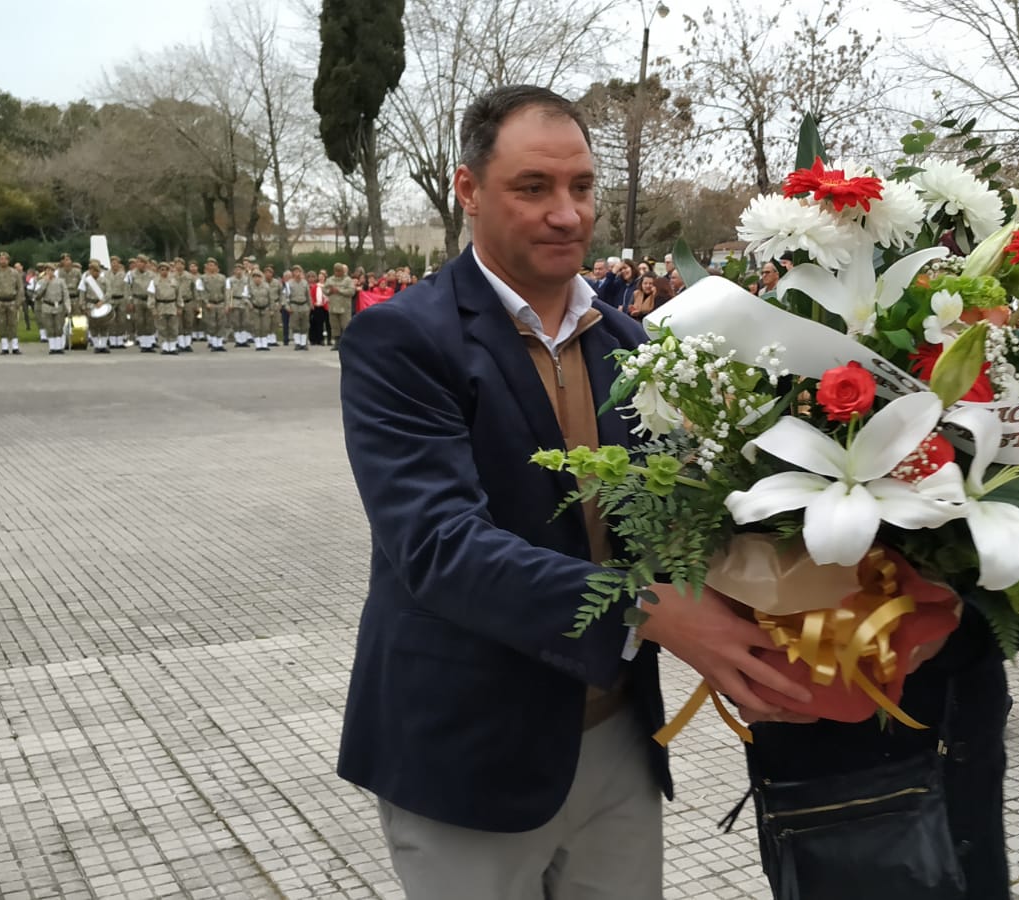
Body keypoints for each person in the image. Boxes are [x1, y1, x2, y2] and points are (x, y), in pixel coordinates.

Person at [336, 84, 807, 900]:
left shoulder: (638, 345)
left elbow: (688, 516)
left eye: (582, 187)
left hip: (618, 742)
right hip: (468, 755)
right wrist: (650, 608)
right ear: (469, 190)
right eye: (533, 188)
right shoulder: (404, 340)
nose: (567, 213)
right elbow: (440, 547)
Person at [0, 252, 24, 355]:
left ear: (8, 260)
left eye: (5, 259)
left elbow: (20, 287)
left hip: (12, 301)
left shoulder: (14, 273)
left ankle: (15, 347)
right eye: (1, 259)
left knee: (13, 324)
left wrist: (18, 301)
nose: (3, 261)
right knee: (1, 324)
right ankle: (4, 347)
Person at [34, 263, 70, 355]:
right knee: (49, 327)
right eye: (48, 270)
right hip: (47, 306)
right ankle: (52, 347)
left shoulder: (61, 281)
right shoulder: (41, 281)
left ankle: (59, 347)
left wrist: (68, 306)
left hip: (59, 306)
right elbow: (37, 295)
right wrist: (45, 282)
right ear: (45, 271)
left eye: (51, 270)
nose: (50, 272)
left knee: (58, 327)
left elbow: (65, 295)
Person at [324, 262, 356, 350]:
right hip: (333, 306)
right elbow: (325, 289)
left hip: (344, 307)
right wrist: (329, 291)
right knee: (335, 326)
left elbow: (352, 291)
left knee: (346, 325)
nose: (338, 272)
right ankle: (337, 343)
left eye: (340, 271)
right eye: (336, 271)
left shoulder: (348, 280)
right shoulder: (330, 280)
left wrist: (339, 290)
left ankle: (347, 343)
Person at [248, 269, 275, 350]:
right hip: (255, 309)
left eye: (258, 277)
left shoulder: (266, 286)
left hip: (265, 309)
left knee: (265, 327)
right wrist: (250, 305)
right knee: (257, 327)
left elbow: (271, 298)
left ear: (261, 277)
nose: (257, 279)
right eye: (255, 277)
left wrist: (272, 309)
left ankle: (264, 344)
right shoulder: (250, 287)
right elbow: (246, 297)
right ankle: (258, 344)